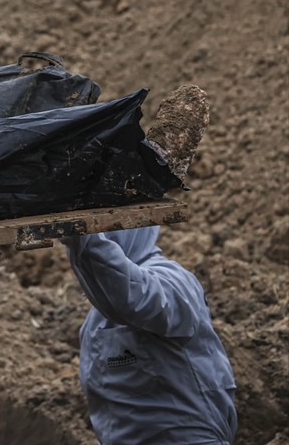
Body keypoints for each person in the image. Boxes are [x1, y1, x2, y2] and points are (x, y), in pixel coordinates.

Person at [64, 86, 238, 445]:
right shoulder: (96, 318)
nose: (104, 234)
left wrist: (80, 230)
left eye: (109, 222)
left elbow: (129, 295)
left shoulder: (174, 284)